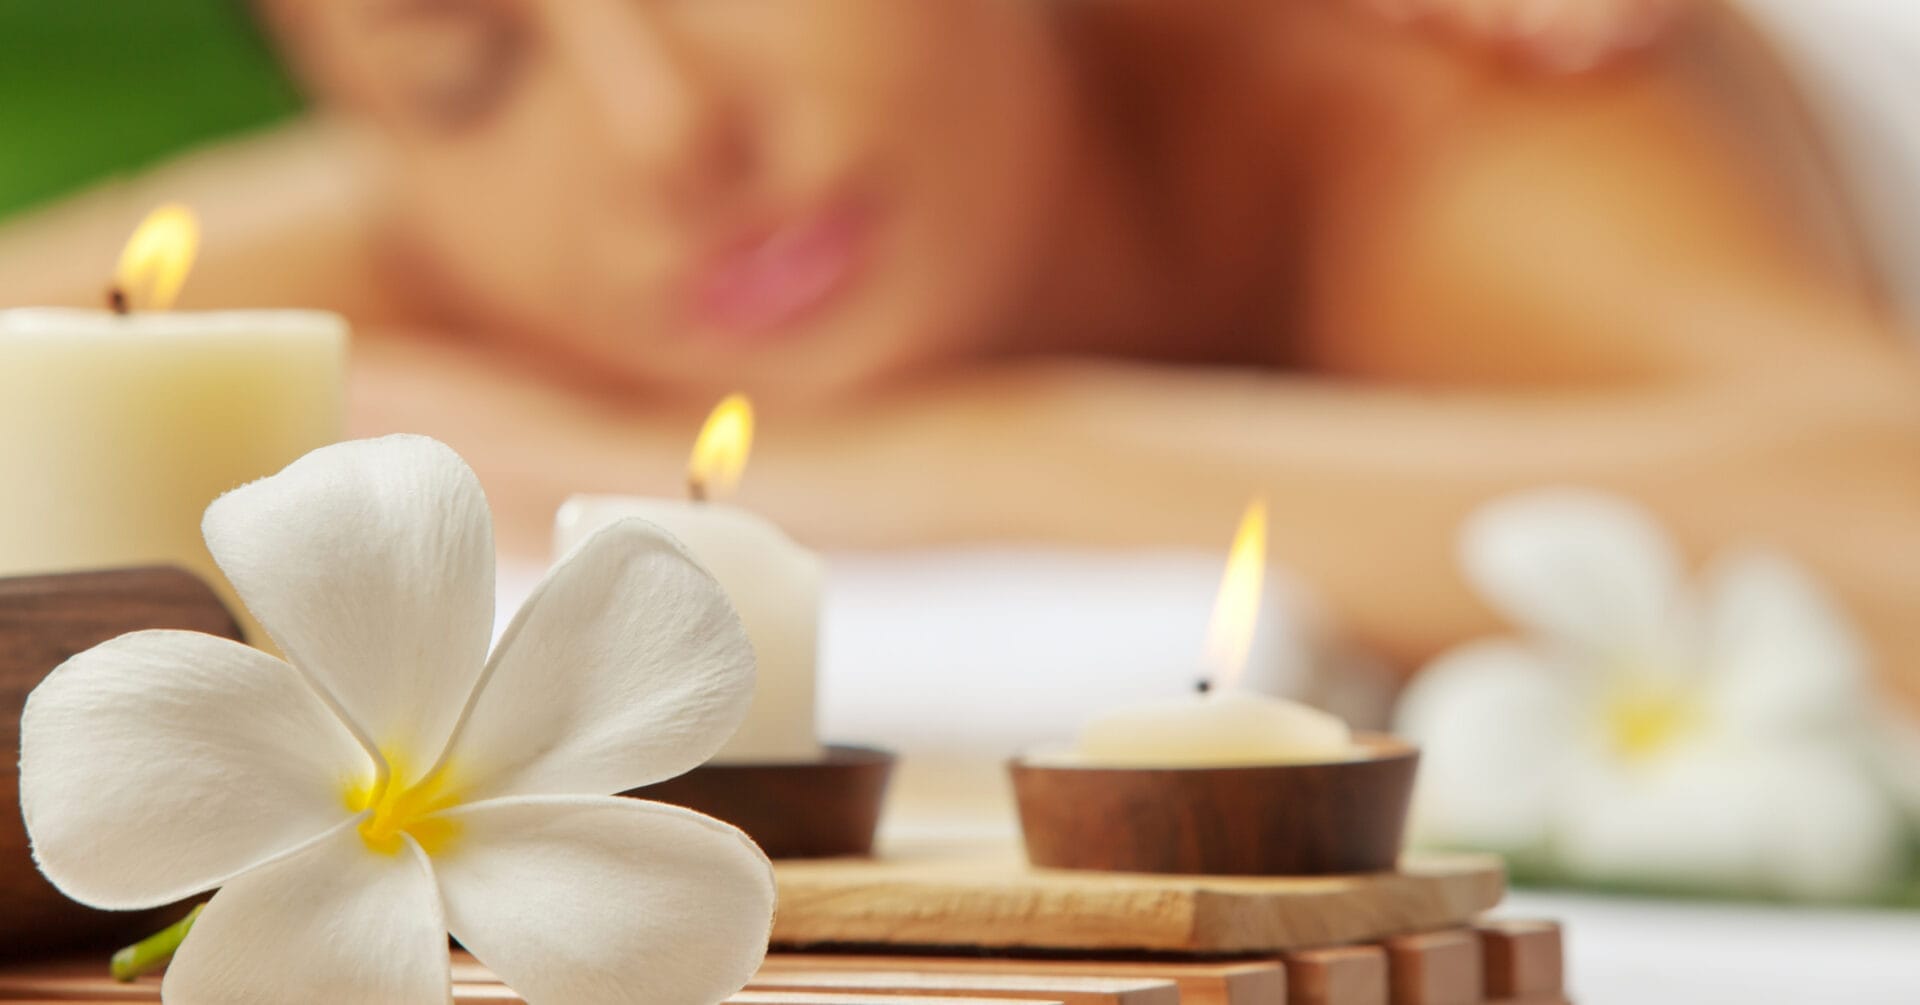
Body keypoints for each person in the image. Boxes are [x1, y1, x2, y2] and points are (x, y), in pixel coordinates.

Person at [4, 0, 1918, 714]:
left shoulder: (1439, 75)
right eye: (461, 67)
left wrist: (932, 456)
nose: (665, 130)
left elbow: (1878, 521)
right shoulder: (466, 217)